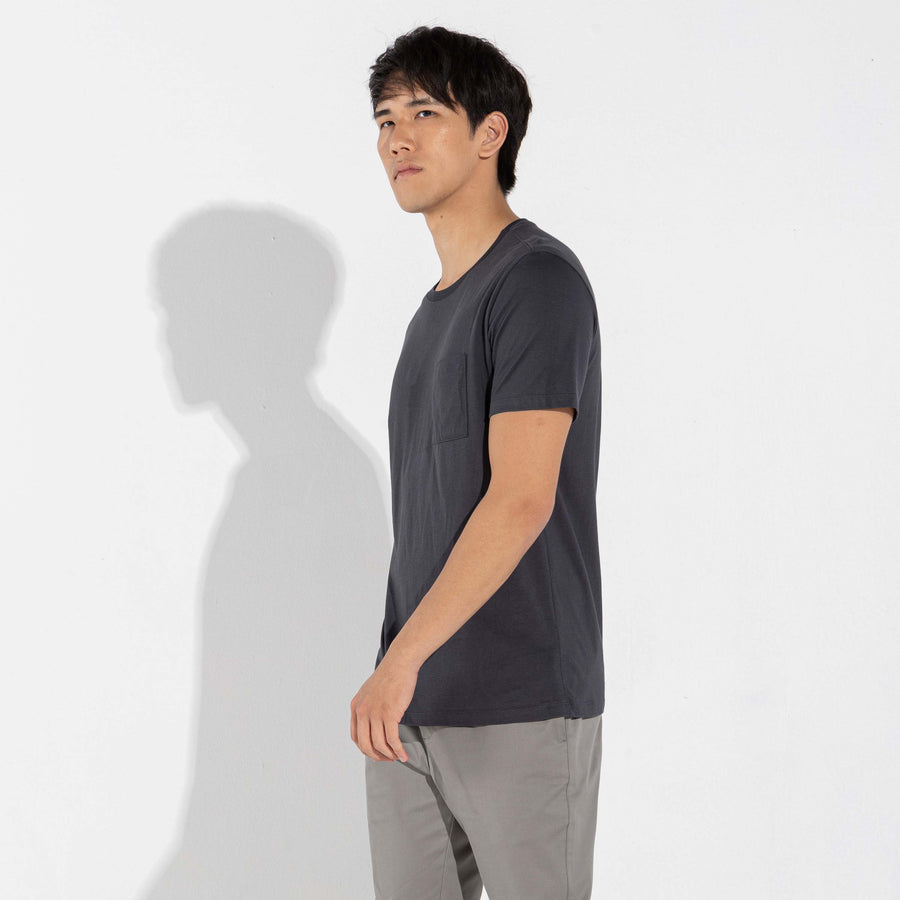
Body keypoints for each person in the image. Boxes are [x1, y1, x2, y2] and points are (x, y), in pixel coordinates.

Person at [350, 25, 605, 899]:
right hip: (411, 708)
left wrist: (399, 662)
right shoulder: (431, 314)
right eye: (385, 119)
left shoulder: (536, 282)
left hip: (519, 699)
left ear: (492, 132)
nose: (398, 138)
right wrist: (399, 672)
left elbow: (522, 499)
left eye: (424, 112)